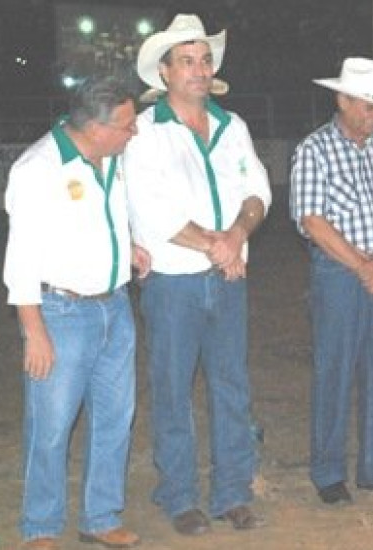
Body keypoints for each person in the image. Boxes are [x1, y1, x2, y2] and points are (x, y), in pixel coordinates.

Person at [124, 14, 271, 535]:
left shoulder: (234, 127)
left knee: (232, 386)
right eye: (186, 61)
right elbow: (151, 210)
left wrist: (237, 234)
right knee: (173, 390)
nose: (200, 69)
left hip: (228, 277)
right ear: (164, 72)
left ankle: (232, 491)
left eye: (205, 60)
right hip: (174, 282)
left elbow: (258, 191)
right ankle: (179, 493)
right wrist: (219, 245)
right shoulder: (144, 131)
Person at [4, 74, 147, 550]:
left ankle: (100, 516)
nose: (134, 132)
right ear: (95, 128)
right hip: (60, 313)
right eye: (126, 126)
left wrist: (126, 249)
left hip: (116, 307)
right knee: (51, 425)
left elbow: (105, 219)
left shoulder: (111, 158)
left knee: (115, 418)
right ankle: (41, 525)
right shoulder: (37, 169)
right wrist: (34, 331)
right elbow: (21, 258)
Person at [290, 57, 373, 504]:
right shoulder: (314, 149)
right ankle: (328, 472)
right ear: (342, 100)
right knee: (336, 369)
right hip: (338, 273)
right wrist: (365, 266)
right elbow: (312, 220)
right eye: (367, 105)